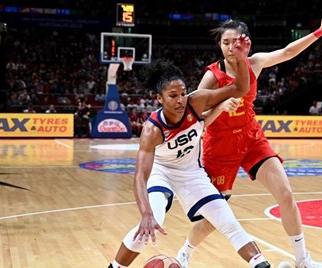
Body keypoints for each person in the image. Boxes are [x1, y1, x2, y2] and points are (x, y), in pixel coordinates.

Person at [177, 5, 322, 268]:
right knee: (214, 215)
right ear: (219, 44)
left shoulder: (255, 63)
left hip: (251, 139)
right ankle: (185, 252)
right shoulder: (211, 75)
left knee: (285, 194)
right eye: (225, 42)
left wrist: (319, 31)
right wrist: (218, 107)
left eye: (234, 42)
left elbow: (288, 52)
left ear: (245, 44)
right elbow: (194, 114)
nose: (229, 47)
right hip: (219, 146)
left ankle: (302, 260)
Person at [109, 36, 277, 268]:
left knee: (227, 221)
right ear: (159, 98)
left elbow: (240, 88)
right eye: (173, 96)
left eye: (183, 93)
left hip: (192, 173)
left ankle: (262, 264)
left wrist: (240, 60)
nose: (180, 100)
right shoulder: (152, 129)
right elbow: (140, 176)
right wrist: (145, 212)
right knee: (152, 221)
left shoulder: (196, 102)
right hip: (163, 173)